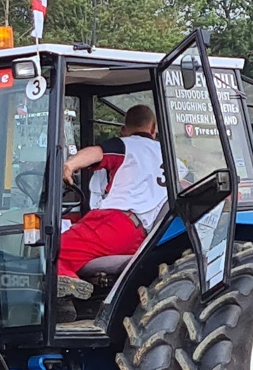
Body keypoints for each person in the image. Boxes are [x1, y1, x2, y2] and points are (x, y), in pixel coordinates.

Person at [57, 104, 187, 318]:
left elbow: (95, 153)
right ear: (153, 128)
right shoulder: (172, 158)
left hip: (115, 222)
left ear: (123, 129)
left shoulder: (126, 146)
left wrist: (69, 166)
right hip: (140, 233)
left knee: (50, 250)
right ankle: (68, 288)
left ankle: (66, 295)